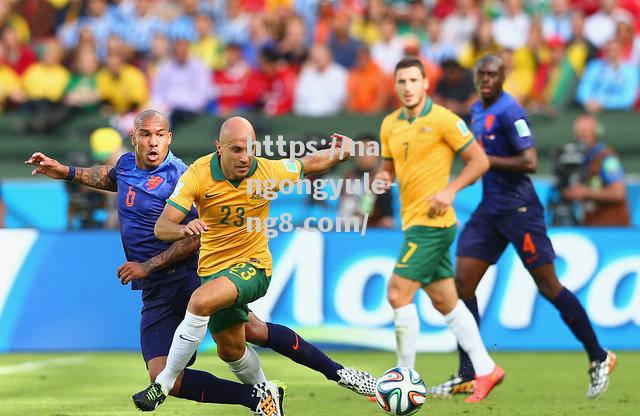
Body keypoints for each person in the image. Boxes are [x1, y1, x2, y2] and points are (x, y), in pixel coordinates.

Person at [25, 111, 376, 415]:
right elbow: (112, 177)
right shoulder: (130, 166)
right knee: (217, 354)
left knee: (245, 330)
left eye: (160, 135)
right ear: (133, 138)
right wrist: (66, 171)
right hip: (157, 289)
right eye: (146, 135)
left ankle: (337, 373)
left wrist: (147, 265)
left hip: (194, 273)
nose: (153, 142)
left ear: (170, 138)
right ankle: (258, 397)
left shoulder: (183, 175)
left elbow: (195, 235)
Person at [128, 115, 375, 413]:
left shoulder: (267, 170)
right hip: (213, 272)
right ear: (219, 147)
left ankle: (162, 385)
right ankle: (290, 391)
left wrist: (342, 152)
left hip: (254, 267)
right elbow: (162, 226)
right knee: (233, 348)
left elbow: (310, 163)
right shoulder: (197, 174)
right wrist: (183, 229)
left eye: (250, 149)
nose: (245, 158)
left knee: (200, 300)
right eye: (236, 150)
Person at [428, 55, 616, 400]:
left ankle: (599, 356)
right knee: (462, 284)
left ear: (503, 77)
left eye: (492, 74)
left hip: (520, 208)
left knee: (548, 286)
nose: (485, 79)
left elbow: (529, 161)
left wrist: (484, 161)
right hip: (491, 209)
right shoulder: (478, 110)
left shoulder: (511, 111)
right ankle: (469, 373)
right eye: (481, 74)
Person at [374, 56, 503, 403]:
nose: (407, 87)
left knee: (398, 293)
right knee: (446, 300)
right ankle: (486, 367)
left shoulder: (444, 120)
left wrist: (449, 190)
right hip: (412, 221)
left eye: (414, 80)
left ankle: (402, 378)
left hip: (433, 225)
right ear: (396, 86)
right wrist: (384, 179)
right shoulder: (390, 125)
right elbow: (389, 168)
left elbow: (480, 160)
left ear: (426, 83)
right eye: (401, 82)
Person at [561, 114, 630, 226]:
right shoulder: (582, 158)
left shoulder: (607, 159)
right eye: (578, 134)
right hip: (593, 225)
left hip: (612, 228)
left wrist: (585, 192)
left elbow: (618, 193)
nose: (580, 138)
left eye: (584, 134)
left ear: (596, 134)